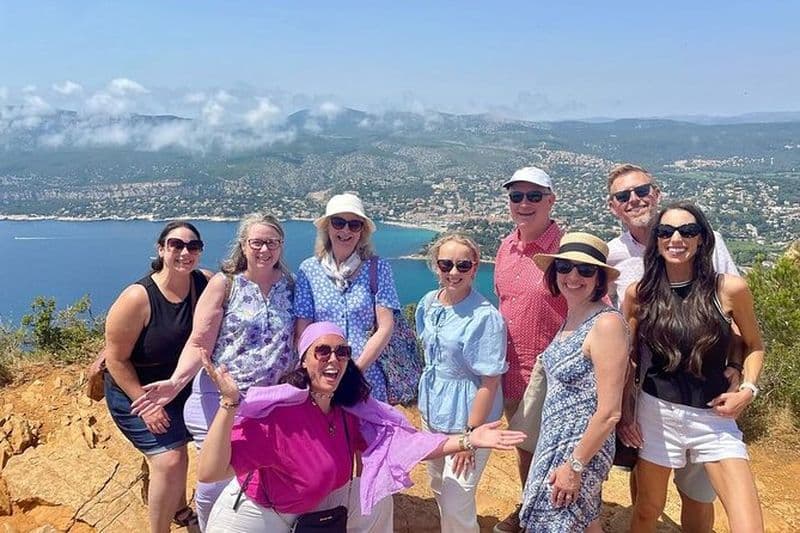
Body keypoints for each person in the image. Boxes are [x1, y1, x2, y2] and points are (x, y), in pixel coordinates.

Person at [197, 321, 526, 532]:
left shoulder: (350, 410)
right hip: (260, 516)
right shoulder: (277, 416)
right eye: (322, 351)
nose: (333, 358)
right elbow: (210, 472)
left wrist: (469, 439)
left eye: (342, 352)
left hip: (315, 508)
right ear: (304, 360)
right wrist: (229, 404)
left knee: (378, 496)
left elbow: (407, 444)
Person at [130, 213, 295, 530]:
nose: (264, 249)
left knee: (259, 478)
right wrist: (176, 382)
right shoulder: (225, 283)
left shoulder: (289, 285)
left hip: (271, 402)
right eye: (256, 242)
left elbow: (300, 337)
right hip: (220, 398)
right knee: (216, 479)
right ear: (243, 245)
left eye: (271, 242)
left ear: (281, 246)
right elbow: (200, 341)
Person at [605, 163, 741, 532]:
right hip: (649, 393)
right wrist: (624, 401)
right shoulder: (614, 256)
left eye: (642, 191)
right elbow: (614, 328)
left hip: (704, 391)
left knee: (697, 491)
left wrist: (738, 371)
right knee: (646, 490)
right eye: (623, 196)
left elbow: (736, 317)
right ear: (613, 206)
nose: (634, 200)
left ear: (657, 193)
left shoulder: (704, 243)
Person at [620, 201, 765, 532]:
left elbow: (754, 345)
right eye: (666, 231)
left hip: (713, 419)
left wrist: (747, 388)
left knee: (748, 525)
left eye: (688, 231)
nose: (676, 238)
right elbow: (628, 358)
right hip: (655, 415)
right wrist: (626, 412)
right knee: (646, 512)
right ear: (655, 240)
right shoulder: (639, 294)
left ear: (702, 239)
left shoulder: (729, 289)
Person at [103, 221, 212, 533]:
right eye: (176, 244)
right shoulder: (138, 298)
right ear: (162, 249)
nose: (184, 252)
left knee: (202, 448)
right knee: (171, 460)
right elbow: (116, 358)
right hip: (137, 390)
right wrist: (145, 403)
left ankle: (179, 508)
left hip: (182, 388)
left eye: (193, 246)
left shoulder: (205, 282)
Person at [516, 232, 628, 531]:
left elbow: (609, 412)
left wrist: (575, 465)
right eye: (564, 267)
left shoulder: (606, 323)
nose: (573, 276)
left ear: (599, 278)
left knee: (556, 521)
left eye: (586, 270)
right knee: (583, 521)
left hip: (580, 448)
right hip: (554, 439)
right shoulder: (572, 316)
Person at [493, 166, 568, 533]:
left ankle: (559, 517)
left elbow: (596, 310)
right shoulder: (505, 248)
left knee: (557, 452)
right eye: (516, 196)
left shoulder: (566, 251)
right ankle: (531, 511)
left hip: (553, 372)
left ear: (550, 201)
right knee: (526, 448)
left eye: (534, 196)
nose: (524, 203)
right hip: (511, 368)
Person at [416, 234, 508, 533]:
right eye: (446, 264)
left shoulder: (485, 317)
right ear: (436, 266)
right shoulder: (428, 303)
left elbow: (490, 381)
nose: (453, 272)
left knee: (458, 498)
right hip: (433, 413)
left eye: (462, 265)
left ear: (475, 267)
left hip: (468, 419)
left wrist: (471, 436)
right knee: (440, 486)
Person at [294, 192, 399, 402]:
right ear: (327, 227)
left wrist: (355, 371)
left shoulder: (378, 268)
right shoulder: (309, 270)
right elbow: (303, 330)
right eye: (338, 222)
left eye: (354, 225)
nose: (345, 230)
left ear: (362, 231)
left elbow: (385, 327)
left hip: (366, 377)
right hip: (323, 377)